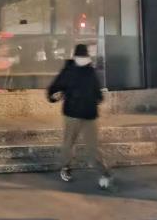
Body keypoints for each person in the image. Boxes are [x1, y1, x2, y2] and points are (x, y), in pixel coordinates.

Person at [47, 43, 112, 189]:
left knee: (89, 147)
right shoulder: (71, 71)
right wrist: (54, 96)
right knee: (71, 144)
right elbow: (54, 88)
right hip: (76, 113)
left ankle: (103, 173)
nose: (83, 59)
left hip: (86, 114)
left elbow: (97, 93)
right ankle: (66, 167)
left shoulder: (88, 72)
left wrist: (97, 98)